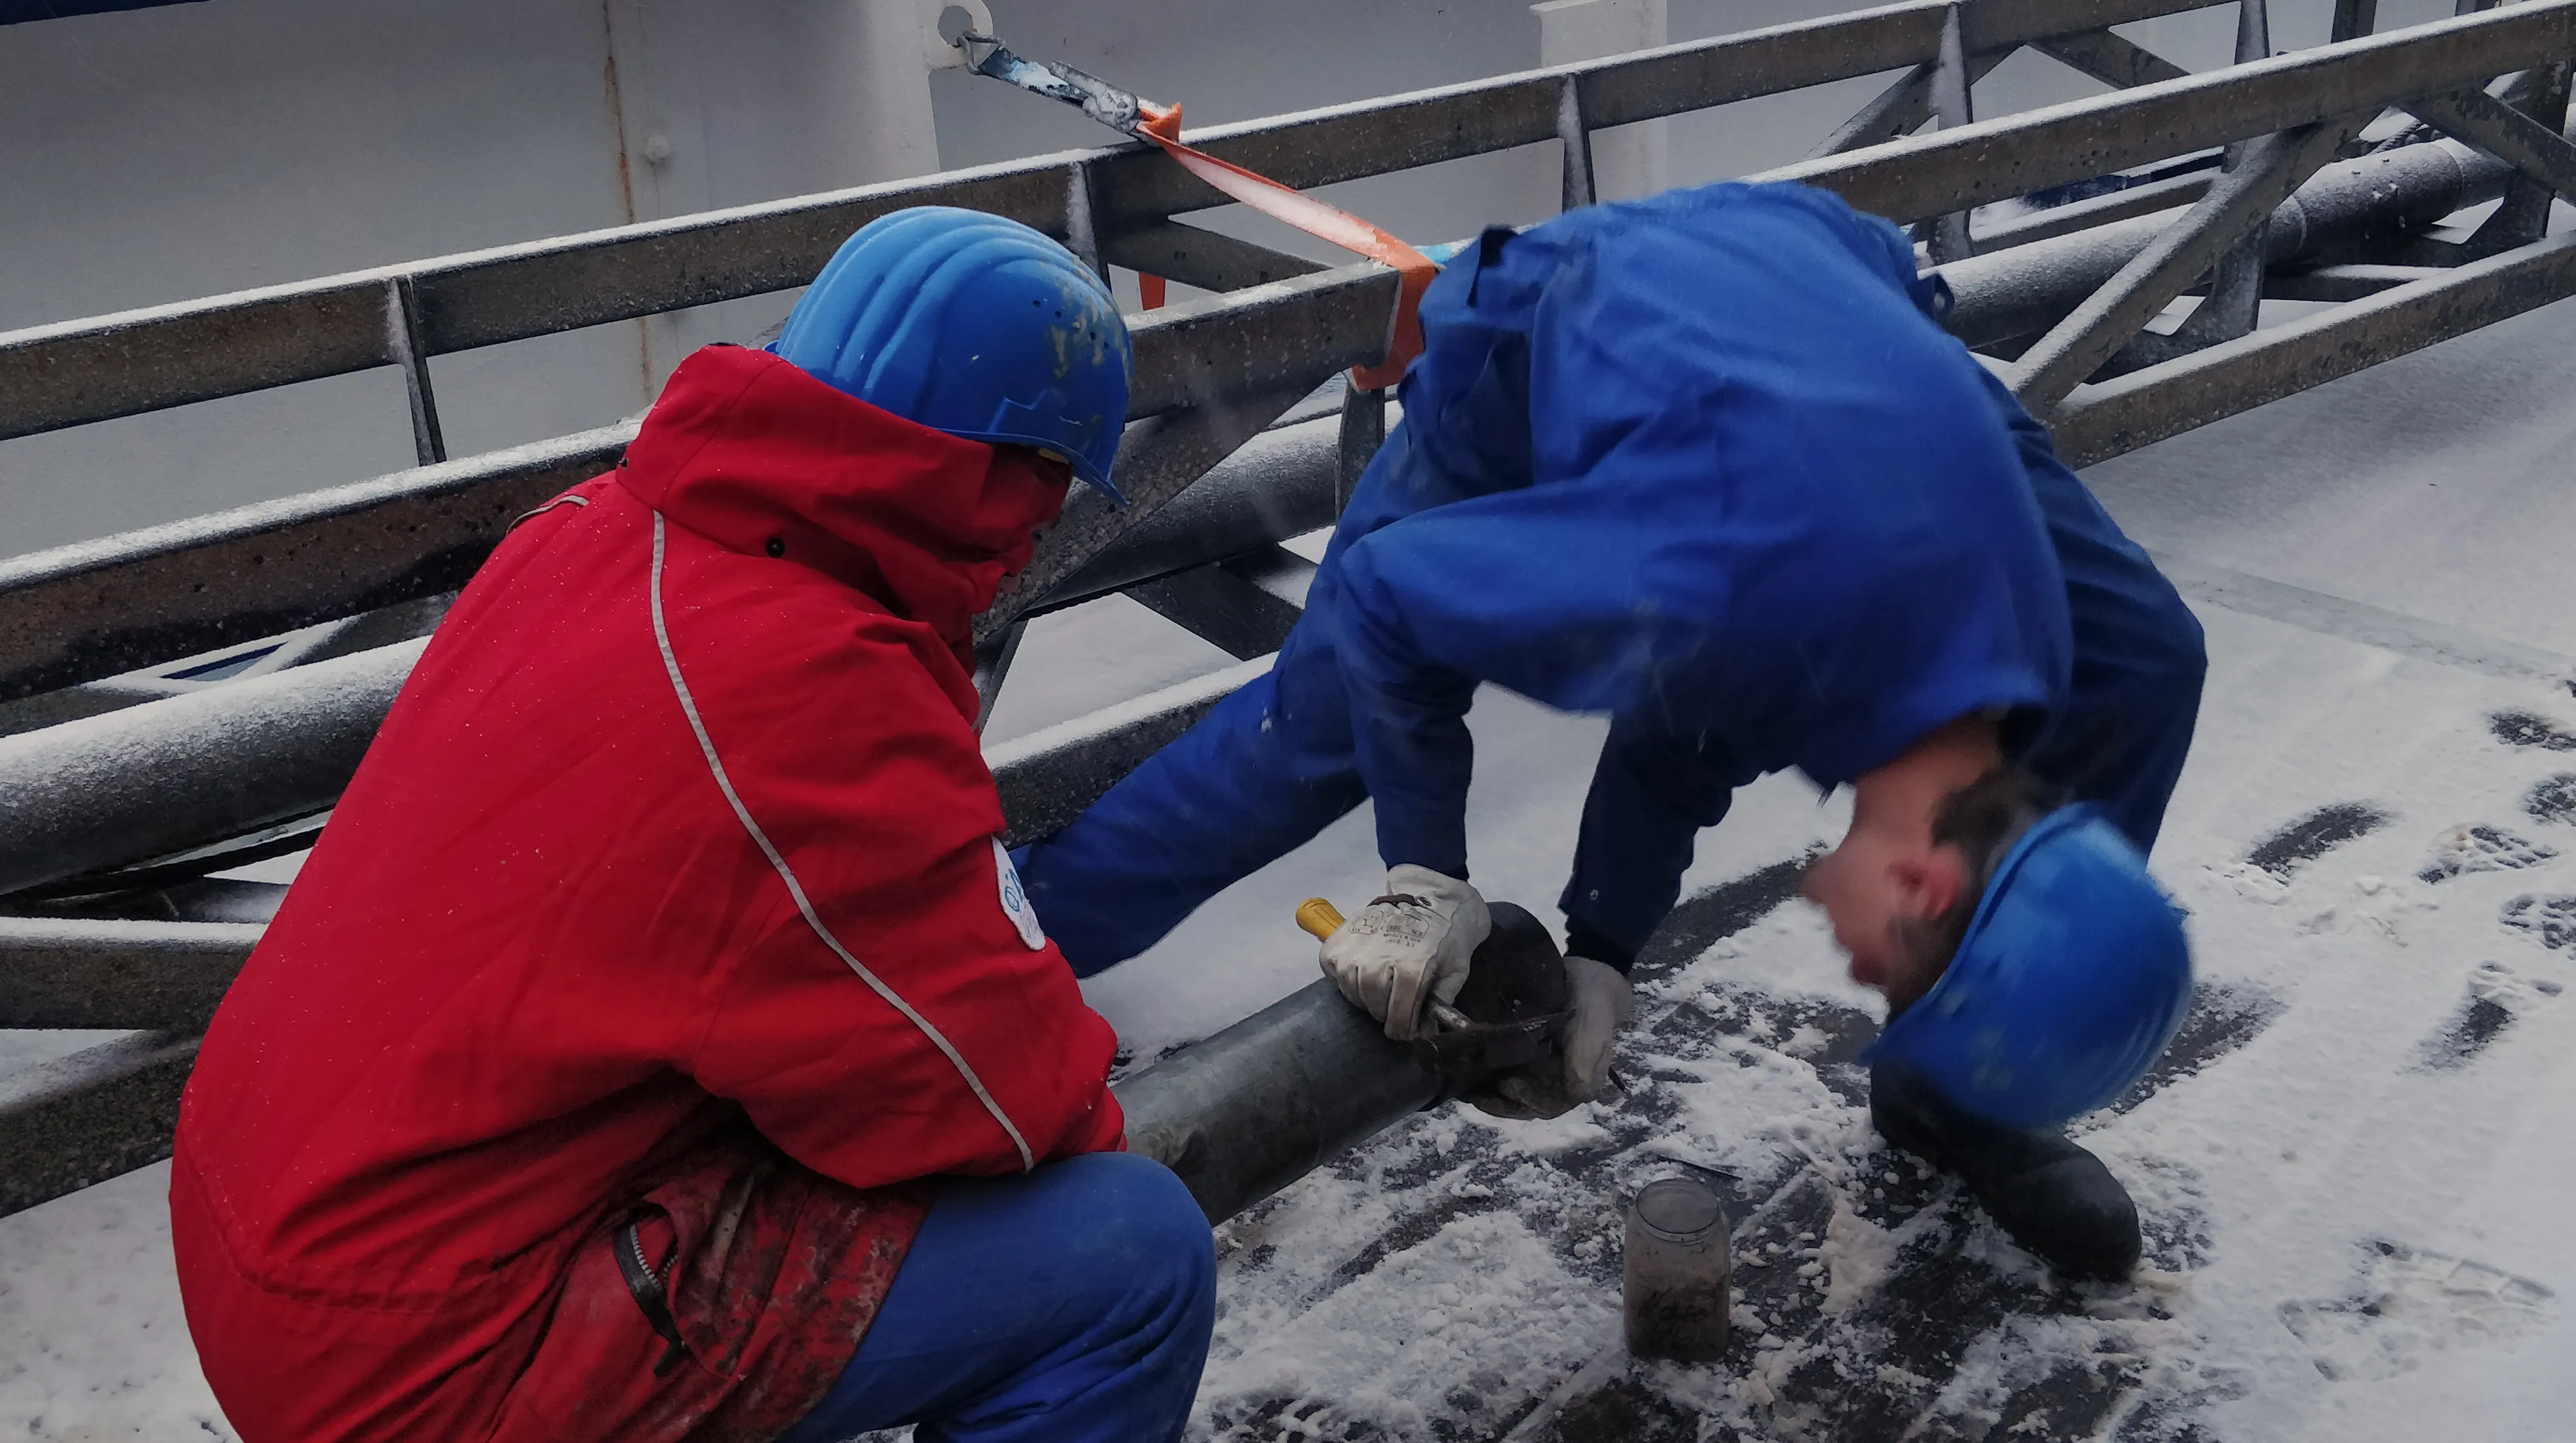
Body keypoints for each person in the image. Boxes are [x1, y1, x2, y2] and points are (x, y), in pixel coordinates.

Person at [1018, 180, 2204, 1280]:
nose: (1847, 969)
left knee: (2146, 654)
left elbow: (1720, 696)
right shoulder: (1718, 592)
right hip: (1560, 324)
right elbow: (1393, 593)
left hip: (1826, 293)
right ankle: (1007, 935)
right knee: (1327, 727)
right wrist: (1425, 866)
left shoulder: (2020, 651)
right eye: (1878, 966)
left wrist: (1604, 951)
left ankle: (1961, 1094)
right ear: (1923, 880)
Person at [169, 208, 1214, 1443]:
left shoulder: (586, 531)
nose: (1023, 554)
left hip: (270, 1234)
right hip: (426, 1360)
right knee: (1126, 1258)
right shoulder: (811, 683)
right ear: (1001, 478)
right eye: (1036, 515)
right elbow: (988, 1100)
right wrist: (1096, 1146)